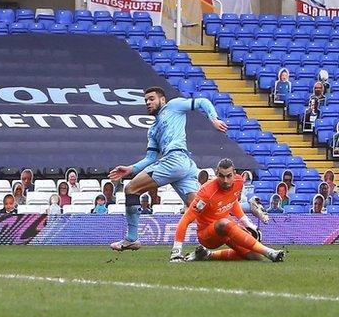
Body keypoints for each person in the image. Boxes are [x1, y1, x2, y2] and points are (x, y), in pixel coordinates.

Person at [108, 87, 228, 252]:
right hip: (183, 165)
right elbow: (150, 158)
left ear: (162, 100)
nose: (148, 103)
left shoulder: (174, 105)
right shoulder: (153, 129)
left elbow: (202, 101)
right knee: (201, 208)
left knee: (131, 189)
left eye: (151, 99)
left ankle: (132, 238)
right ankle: (245, 215)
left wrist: (213, 119)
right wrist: (131, 168)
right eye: (146, 101)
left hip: (175, 159)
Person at [173, 158, 284, 262]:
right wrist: (176, 252)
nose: (225, 180)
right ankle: (269, 252)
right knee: (224, 223)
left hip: (227, 228)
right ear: (216, 174)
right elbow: (186, 219)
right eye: (221, 176)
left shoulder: (239, 181)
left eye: (229, 176)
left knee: (255, 256)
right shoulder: (206, 193)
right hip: (208, 236)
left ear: (234, 173)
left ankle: (207, 255)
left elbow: (232, 200)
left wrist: (247, 222)